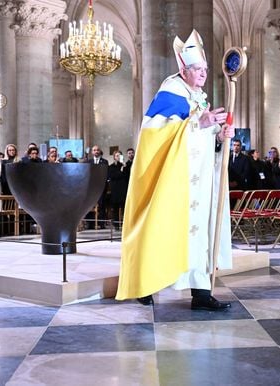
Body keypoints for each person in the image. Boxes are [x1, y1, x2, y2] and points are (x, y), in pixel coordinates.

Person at [116, 30, 234, 311]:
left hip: (200, 180)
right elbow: (155, 134)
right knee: (162, 228)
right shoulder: (171, 92)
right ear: (184, 69)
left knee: (200, 233)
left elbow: (203, 135)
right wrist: (200, 124)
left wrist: (219, 136)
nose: (203, 74)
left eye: (205, 69)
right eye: (198, 69)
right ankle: (146, 284)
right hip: (174, 179)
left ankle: (201, 294)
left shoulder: (199, 97)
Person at [107, 150, 128, 230]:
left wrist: (124, 168)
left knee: (124, 208)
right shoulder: (111, 166)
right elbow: (112, 176)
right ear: (114, 157)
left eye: (120, 155)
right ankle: (116, 225)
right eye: (117, 156)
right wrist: (121, 171)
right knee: (115, 208)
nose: (118, 157)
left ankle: (124, 224)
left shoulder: (125, 166)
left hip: (123, 189)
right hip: (115, 190)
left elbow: (126, 176)